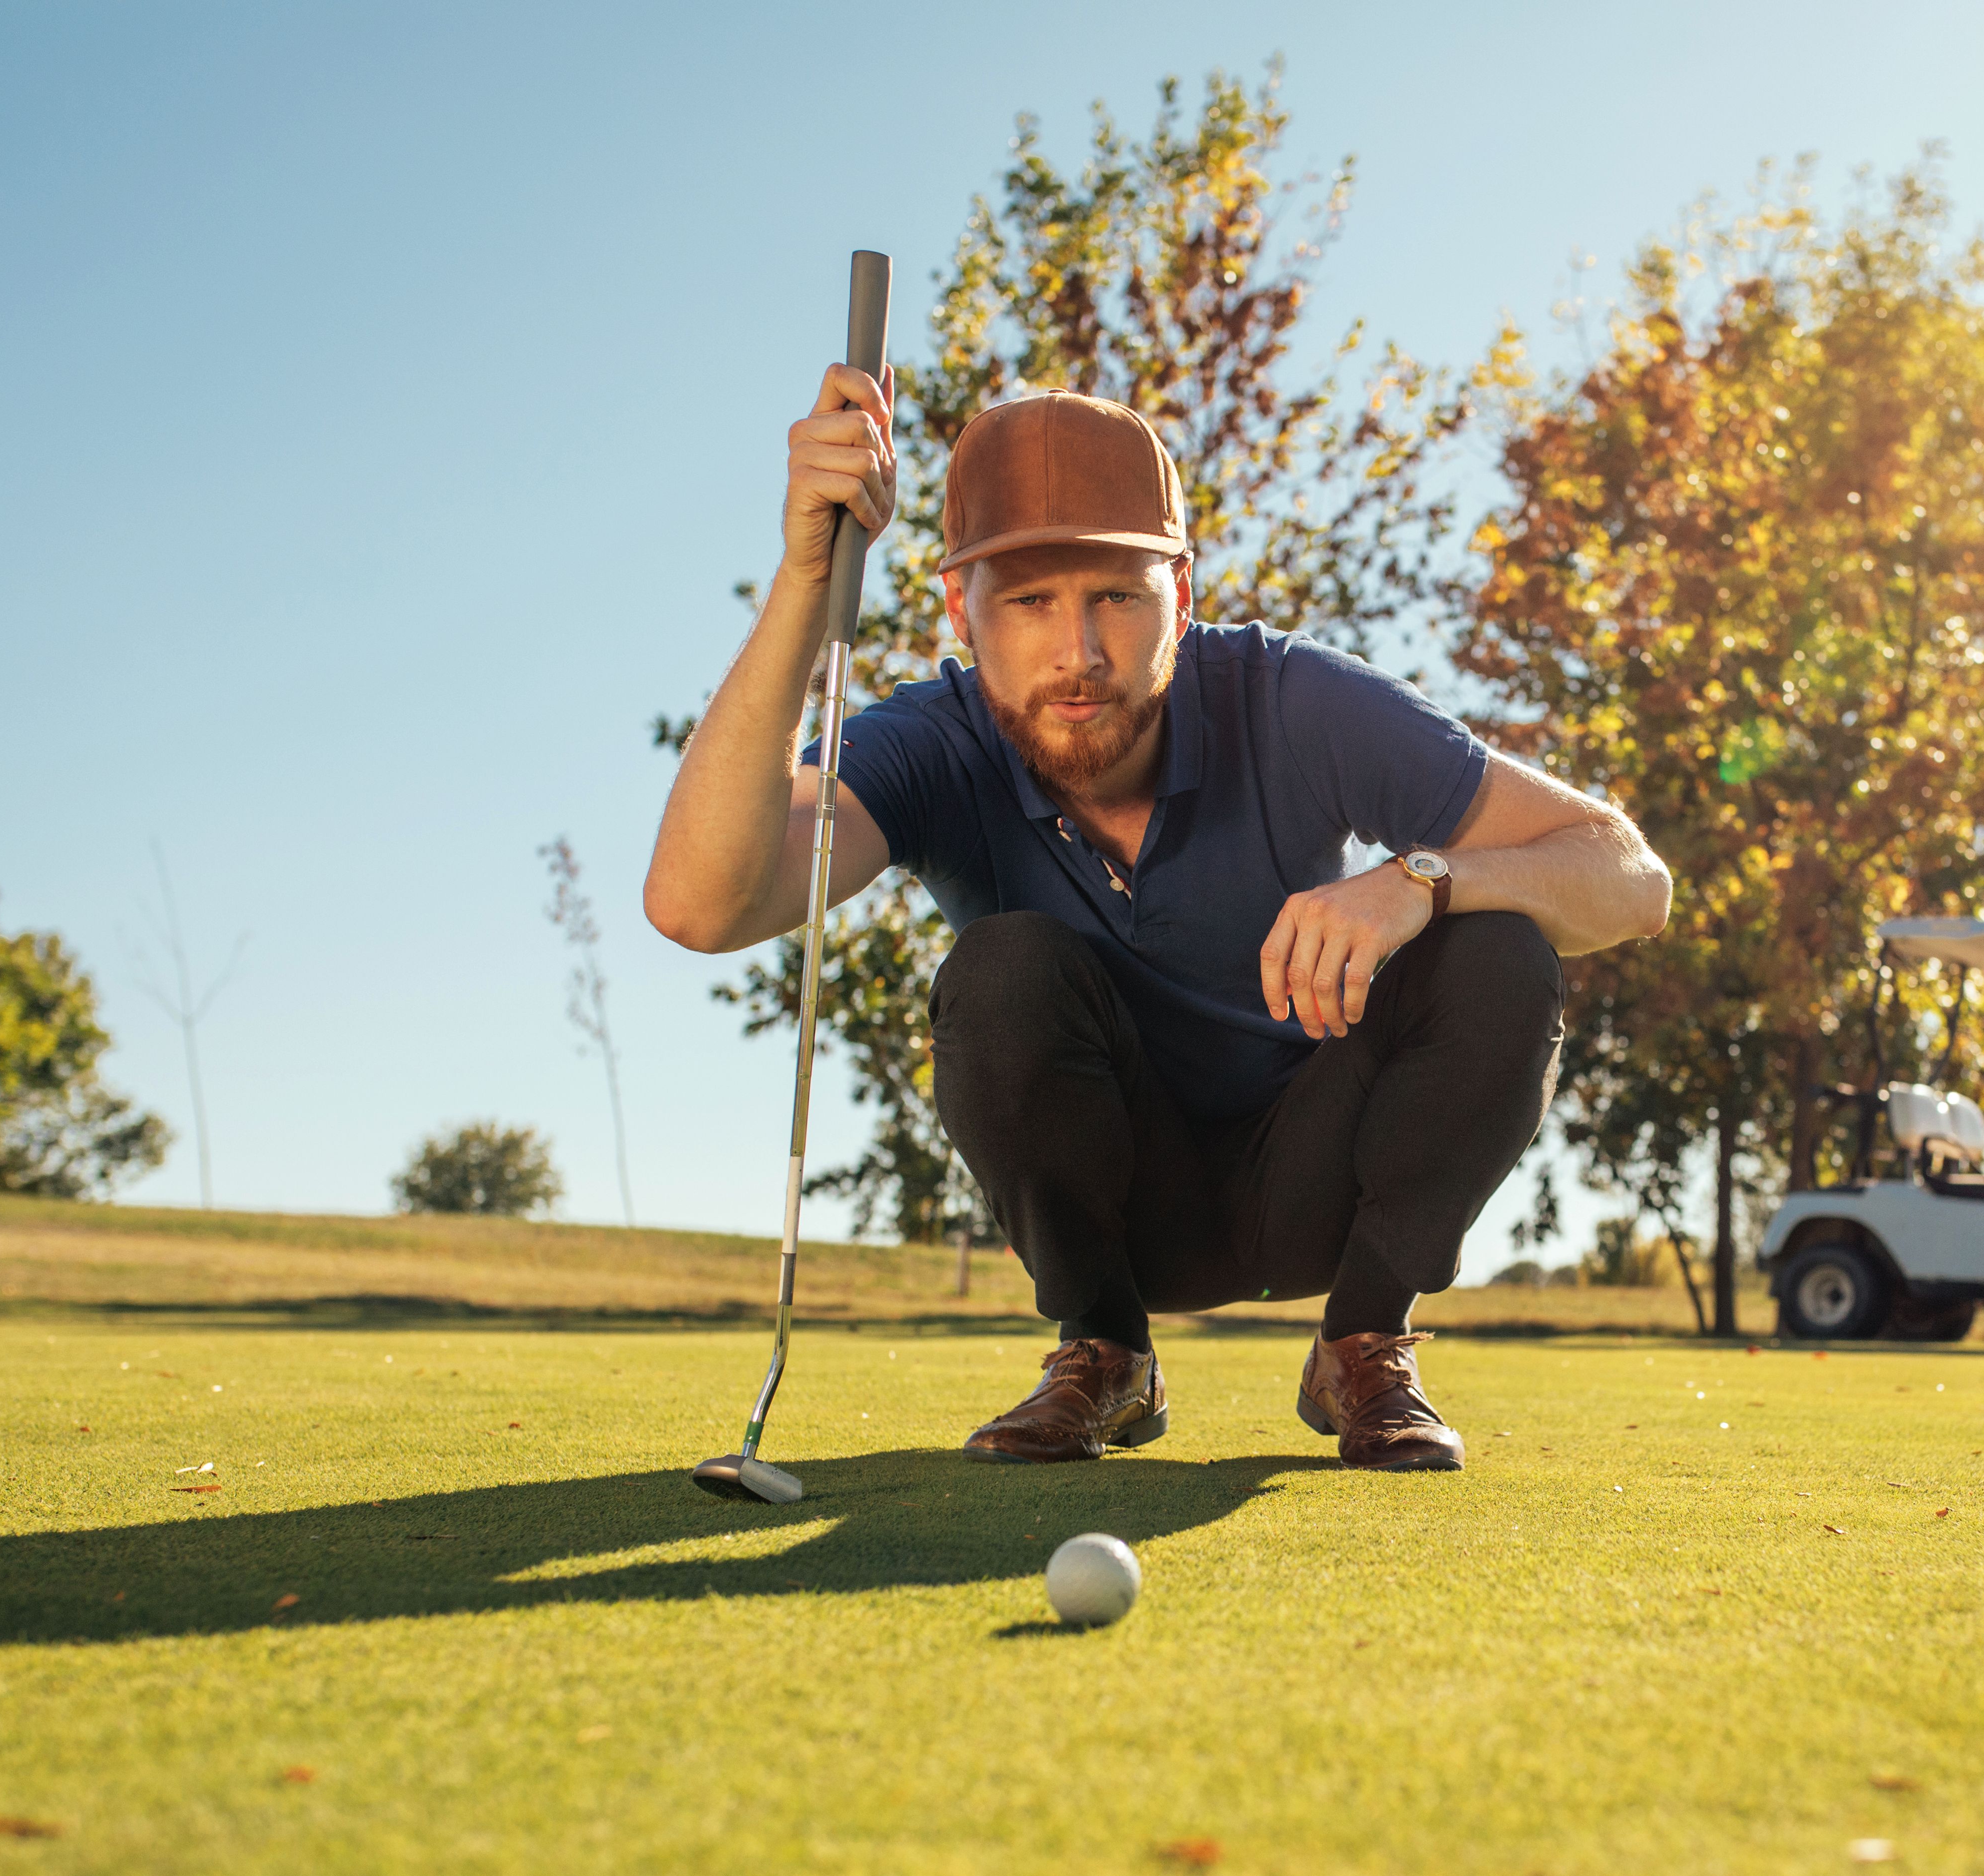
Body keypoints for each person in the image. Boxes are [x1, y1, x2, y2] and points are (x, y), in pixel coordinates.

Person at [644, 361, 1670, 1471]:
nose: (1077, 653)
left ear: (1180, 588)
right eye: (1030, 602)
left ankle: (1364, 1342)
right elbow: (701, 906)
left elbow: (1629, 876)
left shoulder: (1291, 699)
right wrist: (807, 579)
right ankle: (1107, 1354)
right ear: (960, 608)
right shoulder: (934, 742)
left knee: (1499, 943)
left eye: (1117, 598)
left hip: (1322, 1176)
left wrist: (1419, 880)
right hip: (1122, 1209)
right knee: (1000, 970)